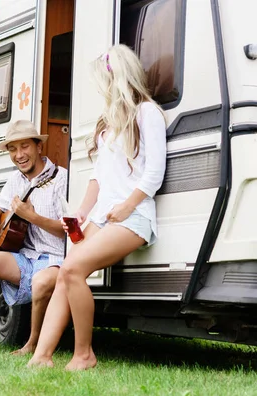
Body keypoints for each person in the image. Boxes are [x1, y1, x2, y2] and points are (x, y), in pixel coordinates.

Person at [27, 44, 167, 370]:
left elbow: (154, 173)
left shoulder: (148, 114)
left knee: (73, 270)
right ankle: (41, 356)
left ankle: (84, 354)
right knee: (66, 274)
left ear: (116, 78)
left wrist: (127, 205)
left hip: (134, 216)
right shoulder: (108, 125)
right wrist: (81, 212)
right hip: (103, 216)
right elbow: (98, 178)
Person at [0, 120, 67, 355]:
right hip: (27, 258)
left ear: (39, 147)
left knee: (41, 281)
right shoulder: (15, 179)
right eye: (13, 149)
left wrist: (31, 217)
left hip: (55, 258)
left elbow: (65, 230)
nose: (19, 155)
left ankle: (32, 343)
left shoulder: (60, 178)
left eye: (25, 146)